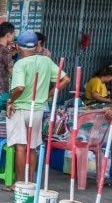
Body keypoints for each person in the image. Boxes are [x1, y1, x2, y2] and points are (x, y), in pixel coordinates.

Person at [5, 31, 70, 191]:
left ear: (19, 46)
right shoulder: (46, 61)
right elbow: (66, 79)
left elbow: (19, 87)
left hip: (20, 109)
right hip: (38, 109)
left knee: (21, 147)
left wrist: (10, 101)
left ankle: (19, 184)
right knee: (32, 147)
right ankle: (30, 183)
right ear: (36, 45)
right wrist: (48, 94)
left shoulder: (21, 63)